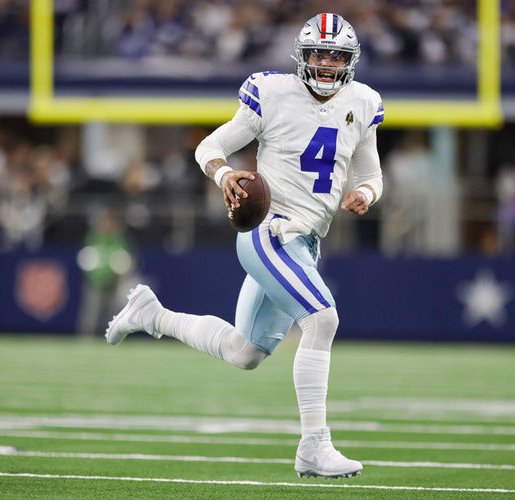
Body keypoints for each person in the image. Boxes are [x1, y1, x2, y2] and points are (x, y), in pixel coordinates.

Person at [105, 13, 383, 479]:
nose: (329, 63)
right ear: (303, 56)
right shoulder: (272, 94)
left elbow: (371, 174)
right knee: (322, 318)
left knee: (244, 352)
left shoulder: (364, 102)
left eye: (338, 55)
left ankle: (152, 315)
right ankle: (314, 445)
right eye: (320, 53)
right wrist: (224, 172)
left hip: (306, 243)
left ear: (350, 61)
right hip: (269, 232)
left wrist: (366, 194)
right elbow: (209, 146)